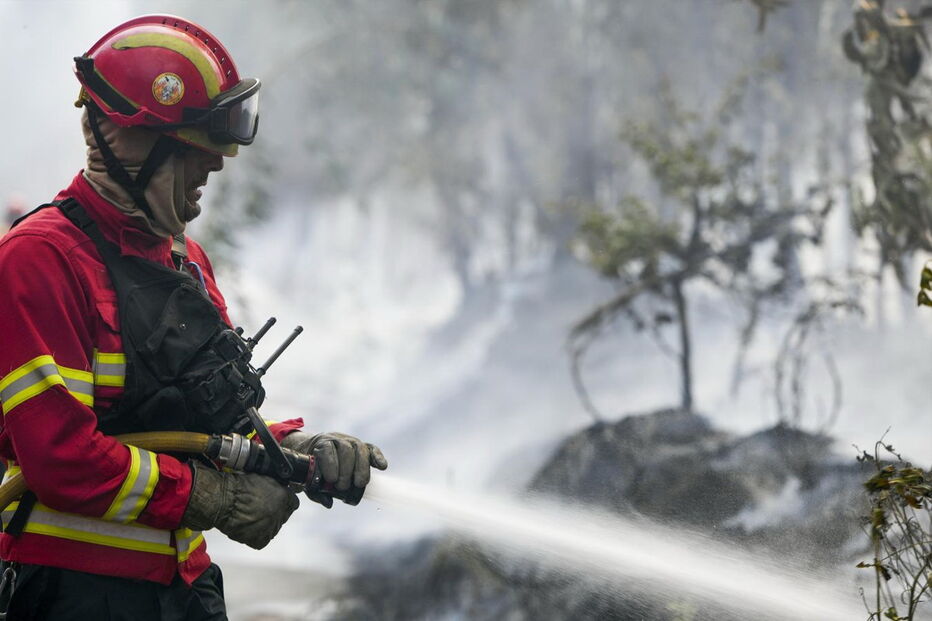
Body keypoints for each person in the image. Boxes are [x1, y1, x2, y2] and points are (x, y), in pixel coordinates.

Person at [0, 15, 386, 620]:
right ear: (128, 144)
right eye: (195, 153)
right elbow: (61, 460)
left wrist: (294, 447)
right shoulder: (41, 260)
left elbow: (210, 421)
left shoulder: (185, 258)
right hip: (77, 594)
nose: (216, 168)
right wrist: (216, 498)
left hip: (186, 589)